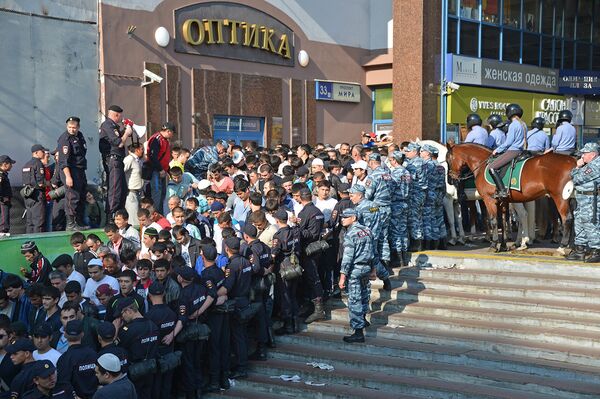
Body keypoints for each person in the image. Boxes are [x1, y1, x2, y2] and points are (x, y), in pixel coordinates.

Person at [338, 208, 375, 343]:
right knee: (364, 294)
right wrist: (373, 269)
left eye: (346, 217)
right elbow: (373, 251)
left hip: (355, 270)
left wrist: (342, 276)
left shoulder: (351, 234)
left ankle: (358, 332)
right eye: (342, 217)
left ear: (353, 218)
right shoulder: (367, 230)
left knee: (354, 300)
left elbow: (347, 258)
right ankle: (363, 320)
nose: (342, 219)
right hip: (366, 267)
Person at [115, 298, 158, 398]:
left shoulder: (127, 330)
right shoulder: (153, 325)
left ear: (129, 311)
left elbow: (117, 349)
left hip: (134, 372)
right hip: (150, 369)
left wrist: (117, 330)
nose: (122, 318)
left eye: (122, 314)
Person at [145, 281, 181, 399]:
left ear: (149, 295)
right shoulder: (171, 313)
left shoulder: (149, 316)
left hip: (155, 355)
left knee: (156, 384)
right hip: (169, 353)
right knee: (167, 383)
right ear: (164, 294)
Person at [295, 188, 326, 324]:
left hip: (309, 249)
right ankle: (310, 305)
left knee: (313, 278)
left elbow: (305, 233)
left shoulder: (305, 212)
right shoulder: (318, 211)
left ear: (301, 198)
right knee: (310, 278)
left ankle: (319, 310)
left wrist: (296, 226)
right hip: (316, 249)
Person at [99, 105, 133, 220]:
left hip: (118, 160)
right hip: (113, 160)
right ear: (116, 115)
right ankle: (111, 215)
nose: (121, 118)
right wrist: (126, 133)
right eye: (120, 115)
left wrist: (124, 130)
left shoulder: (114, 126)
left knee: (122, 189)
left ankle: (119, 214)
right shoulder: (108, 125)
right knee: (115, 188)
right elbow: (118, 143)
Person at [567, 142, 600, 262]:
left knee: (590, 224)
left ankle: (596, 250)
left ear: (593, 154)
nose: (582, 156)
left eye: (585, 153)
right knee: (580, 223)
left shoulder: (596, 165)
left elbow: (576, 178)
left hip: (590, 200)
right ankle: (579, 250)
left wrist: (577, 167)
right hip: (583, 199)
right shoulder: (589, 164)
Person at [271, 209, 301, 335]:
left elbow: (274, 253)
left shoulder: (278, 236)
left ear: (277, 221)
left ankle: (288, 325)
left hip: (284, 268)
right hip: (295, 266)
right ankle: (295, 323)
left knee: (285, 296)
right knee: (293, 295)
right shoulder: (295, 232)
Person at [57, 116, 89, 231]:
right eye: (70, 127)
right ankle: (71, 224)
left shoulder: (79, 136)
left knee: (81, 195)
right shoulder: (65, 139)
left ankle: (78, 222)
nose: (72, 130)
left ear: (78, 127)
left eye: (74, 127)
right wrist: (68, 177)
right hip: (70, 170)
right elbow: (63, 161)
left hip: (80, 169)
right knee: (72, 196)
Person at [489, 103, 526, 198]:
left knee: (492, 168)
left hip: (513, 151)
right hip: (522, 151)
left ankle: (502, 191)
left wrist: (496, 150)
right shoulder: (523, 124)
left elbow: (508, 143)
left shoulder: (513, 125)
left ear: (509, 113)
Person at [56, 320, 98, 398]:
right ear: (82, 334)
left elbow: (63, 384)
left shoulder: (64, 359)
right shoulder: (93, 354)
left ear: (65, 335)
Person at [388, 151, 411, 266]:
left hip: (396, 204)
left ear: (395, 160)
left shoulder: (395, 173)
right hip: (405, 203)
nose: (390, 162)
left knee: (396, 231)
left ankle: (398, 259)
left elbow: (390, 190)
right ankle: (404, 257)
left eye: (391, 160)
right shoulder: (407, 172)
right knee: (403, 230)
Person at [147, 123, 174, 215]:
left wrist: (169, 171)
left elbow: (164, 158)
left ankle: (160, 214)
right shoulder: (157, 139)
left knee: (162, 194)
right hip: (156, 171)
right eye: (172, 133)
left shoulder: (164, 140)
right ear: (168, 131)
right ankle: (156, 214)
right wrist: (160, 169)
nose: (172, 135)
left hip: (162, 170)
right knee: (157, 194)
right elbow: (153, 156)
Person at [404, 142, 427, 251]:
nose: (406, 153)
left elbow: (410, 180)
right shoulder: (422, 161)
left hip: (415, 193)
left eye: (408, 151)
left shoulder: (413, 164)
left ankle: (416, 243)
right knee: (418, 217)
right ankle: (419, 242)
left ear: (414, 152)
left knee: (414, 218)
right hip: (421, 192)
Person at [22, 144, 47, 233]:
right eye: (42, 151)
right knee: (38, 222)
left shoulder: (26, 164)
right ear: (36, 153)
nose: (44, 153)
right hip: (37, 195)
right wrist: (49, 184)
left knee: (30, 222)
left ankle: (29, 242)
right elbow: (41, 183)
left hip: (27, 195)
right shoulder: (38, 164)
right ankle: (38, 242)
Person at [123, 143, 143, 227]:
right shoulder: (129, 159)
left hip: (138, 192)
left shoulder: (138, 160)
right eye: (142, 149)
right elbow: (121, 172)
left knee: (138, 217)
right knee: (133, 219)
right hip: (131, 192)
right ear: (137, 149)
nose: (143, 151)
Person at [0, 155, 15, 236]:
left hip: (5, 201)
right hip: (2, 202)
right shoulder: (0, 174)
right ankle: (2, 233)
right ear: (4, 164)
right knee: (3, 223)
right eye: (10, 164)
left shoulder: (4, 174)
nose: (11, 166)